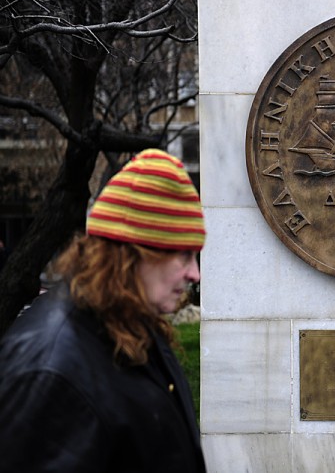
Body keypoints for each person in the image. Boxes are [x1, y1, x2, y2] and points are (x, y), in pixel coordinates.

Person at [0, 149, 207, 472]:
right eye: (182, 255)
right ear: (131, 253)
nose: (195, 274)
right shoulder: (49, 373)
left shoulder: (132, 324)